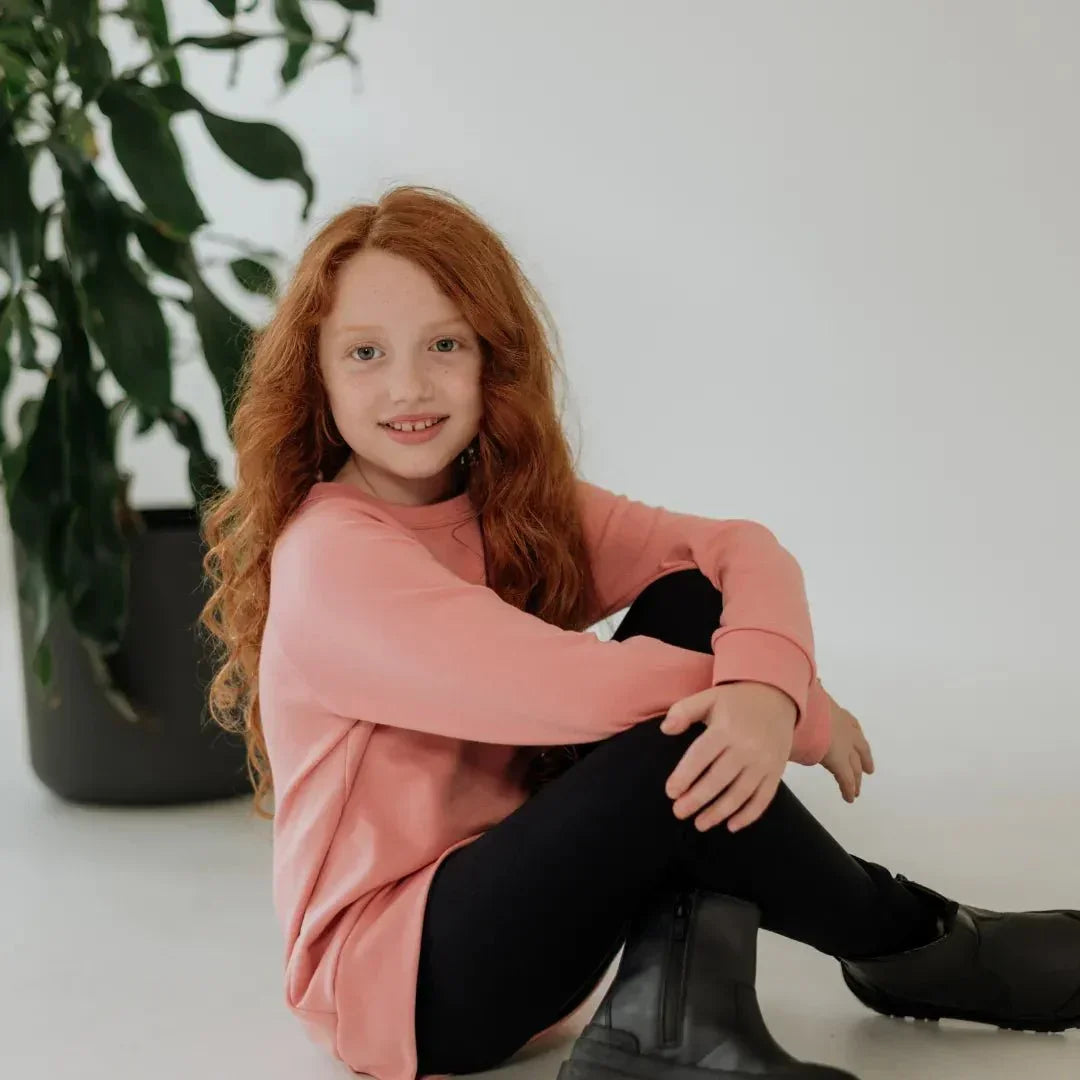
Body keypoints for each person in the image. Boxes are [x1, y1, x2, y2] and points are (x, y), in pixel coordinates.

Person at [199, 185, 1080, 1080]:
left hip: (536, 929)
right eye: (364, 354)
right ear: (315, 376)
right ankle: (912, 941)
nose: (409, 387)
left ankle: (673, 1020)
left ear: (490, 357)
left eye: (444, 345)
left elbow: (735, 548)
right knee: (673, 747)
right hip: (407, 985)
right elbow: (578, 690)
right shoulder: (335, 560)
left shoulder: (504, 502)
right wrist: (793, 708)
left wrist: (763, 683)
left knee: (695, 596)